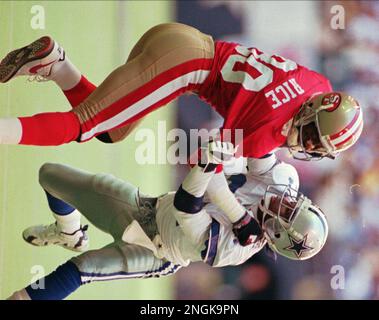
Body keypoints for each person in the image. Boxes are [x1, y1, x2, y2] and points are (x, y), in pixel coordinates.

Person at [7, 141, 328, 300]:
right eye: (293, 204)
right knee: (49, 175)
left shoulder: (235, 248)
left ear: (276, 234)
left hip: (154, 250)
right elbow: (257, 141)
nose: (286, 202)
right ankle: (69, 232)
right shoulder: (282, 180)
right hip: (143, 208)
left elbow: (185, 204)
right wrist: (220, 160)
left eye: (287, 213)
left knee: (80, 269)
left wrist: (212, 171)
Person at [0, 23, 362, 160]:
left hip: (183, 39)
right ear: (316, 111)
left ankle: (55, 64)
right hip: (187, 67)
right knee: (81, 125)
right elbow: (203, 166)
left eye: (317, 147)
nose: (309, 145)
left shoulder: (321, 84)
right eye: (315, 137)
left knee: (111, 129)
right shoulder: (263, 139)